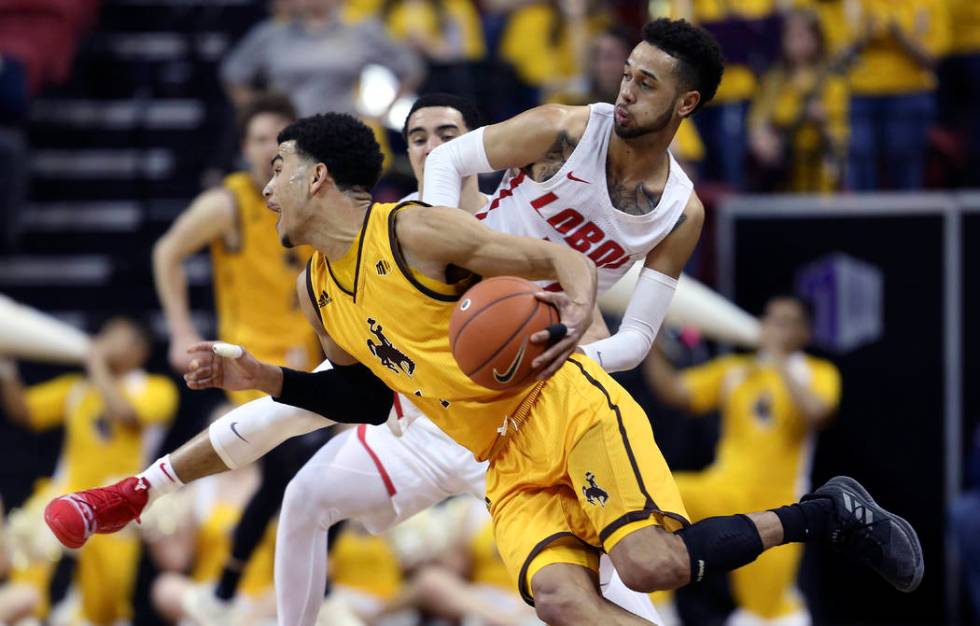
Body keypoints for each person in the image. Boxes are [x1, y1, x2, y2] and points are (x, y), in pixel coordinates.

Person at [44, 19, 921, 625]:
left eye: (647, 80)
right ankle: (141, 492)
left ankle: (825, 515)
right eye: (625, 73)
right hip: (466, 383)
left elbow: (616, 314)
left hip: (543, 379)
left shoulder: (669, 214)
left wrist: (573, 334)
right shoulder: (544, 141)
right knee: (313, 483)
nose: (625, 89)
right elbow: (351, 386)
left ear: (685, 104)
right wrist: (406, 272)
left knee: (645, 572)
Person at [153, 92, 332, 624]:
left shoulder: (314, 202)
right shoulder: (228, 203)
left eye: (278, 143)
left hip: (310, 369)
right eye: (257, 141)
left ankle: (241, 591)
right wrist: (182, 329)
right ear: (242, 147)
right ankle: (237, 588)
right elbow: (167, 252)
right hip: (246, 370)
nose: (267, 153)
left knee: (310, 483)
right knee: (292, 472)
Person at [644, 296, 842, 625]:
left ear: (804, 333)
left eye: (784, 321)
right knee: (655, 499)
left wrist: (779, 360)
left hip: (778, 507)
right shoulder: (737, 371)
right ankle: (655, 612)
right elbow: (675, 391)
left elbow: (818, 412)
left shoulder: (817, 373)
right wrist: (648, 340)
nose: (771, 327)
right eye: (769, 318)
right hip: (722, 490)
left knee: (766, 610)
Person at [0, 318, 178, 626]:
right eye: (103, 333)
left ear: (139, 350)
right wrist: (5, 370)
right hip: (63, 493)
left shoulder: (157, 389)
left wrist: (94, 361)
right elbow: (26, 412)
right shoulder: (78, 389)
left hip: (118, 505)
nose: (103, 340)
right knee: (27, 576)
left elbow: (124, 414)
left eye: (114, 335)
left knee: (103, 607)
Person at [747, 9, 849, 192]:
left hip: (818, 170)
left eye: (802, 34)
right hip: (782, 171)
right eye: (790, 35)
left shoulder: (830, 81)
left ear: (817, 39)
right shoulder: (774, 79)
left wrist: (823, 121)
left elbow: (841, 138)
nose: (795, 40)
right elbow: (757, 119)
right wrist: (761, 137)